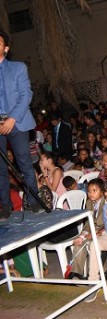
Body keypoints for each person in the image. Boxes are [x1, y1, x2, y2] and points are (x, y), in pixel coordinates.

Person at [0, 29, 44, 220]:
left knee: (24, 163)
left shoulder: (18, 67)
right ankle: (5, 207)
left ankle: (33, 202)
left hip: (16, 121)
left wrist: (12, 119)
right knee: (0, 167)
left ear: (6, 48)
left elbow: (26, 94)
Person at [69, 178, 106, 280]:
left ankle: (104, 267)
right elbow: (88, 223)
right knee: (78, 242)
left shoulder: (106, 202)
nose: (91, 193)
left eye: (94, 191)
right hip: (92, 229)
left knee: (93, 244)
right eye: (89, 191)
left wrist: (95, 233)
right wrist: (82, 236)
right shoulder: (89, 203)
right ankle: (76, 272)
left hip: (104, 230)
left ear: (102, 192)